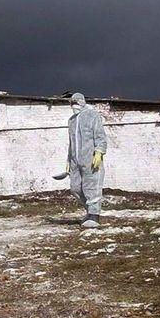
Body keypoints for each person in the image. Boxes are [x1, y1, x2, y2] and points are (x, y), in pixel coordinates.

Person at [64, 92, 107, 228]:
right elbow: (71, 142)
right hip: (75, 160)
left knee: (92, 186)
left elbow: (100, 135)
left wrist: (99, 152)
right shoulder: (72, 121)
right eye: (72, 103)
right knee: (75, 188)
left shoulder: (92, 115)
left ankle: (94, 215)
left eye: (76, 102)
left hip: (91, 158)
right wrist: (68, 160)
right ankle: (89, 210)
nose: (74, 105)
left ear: (82, 102)